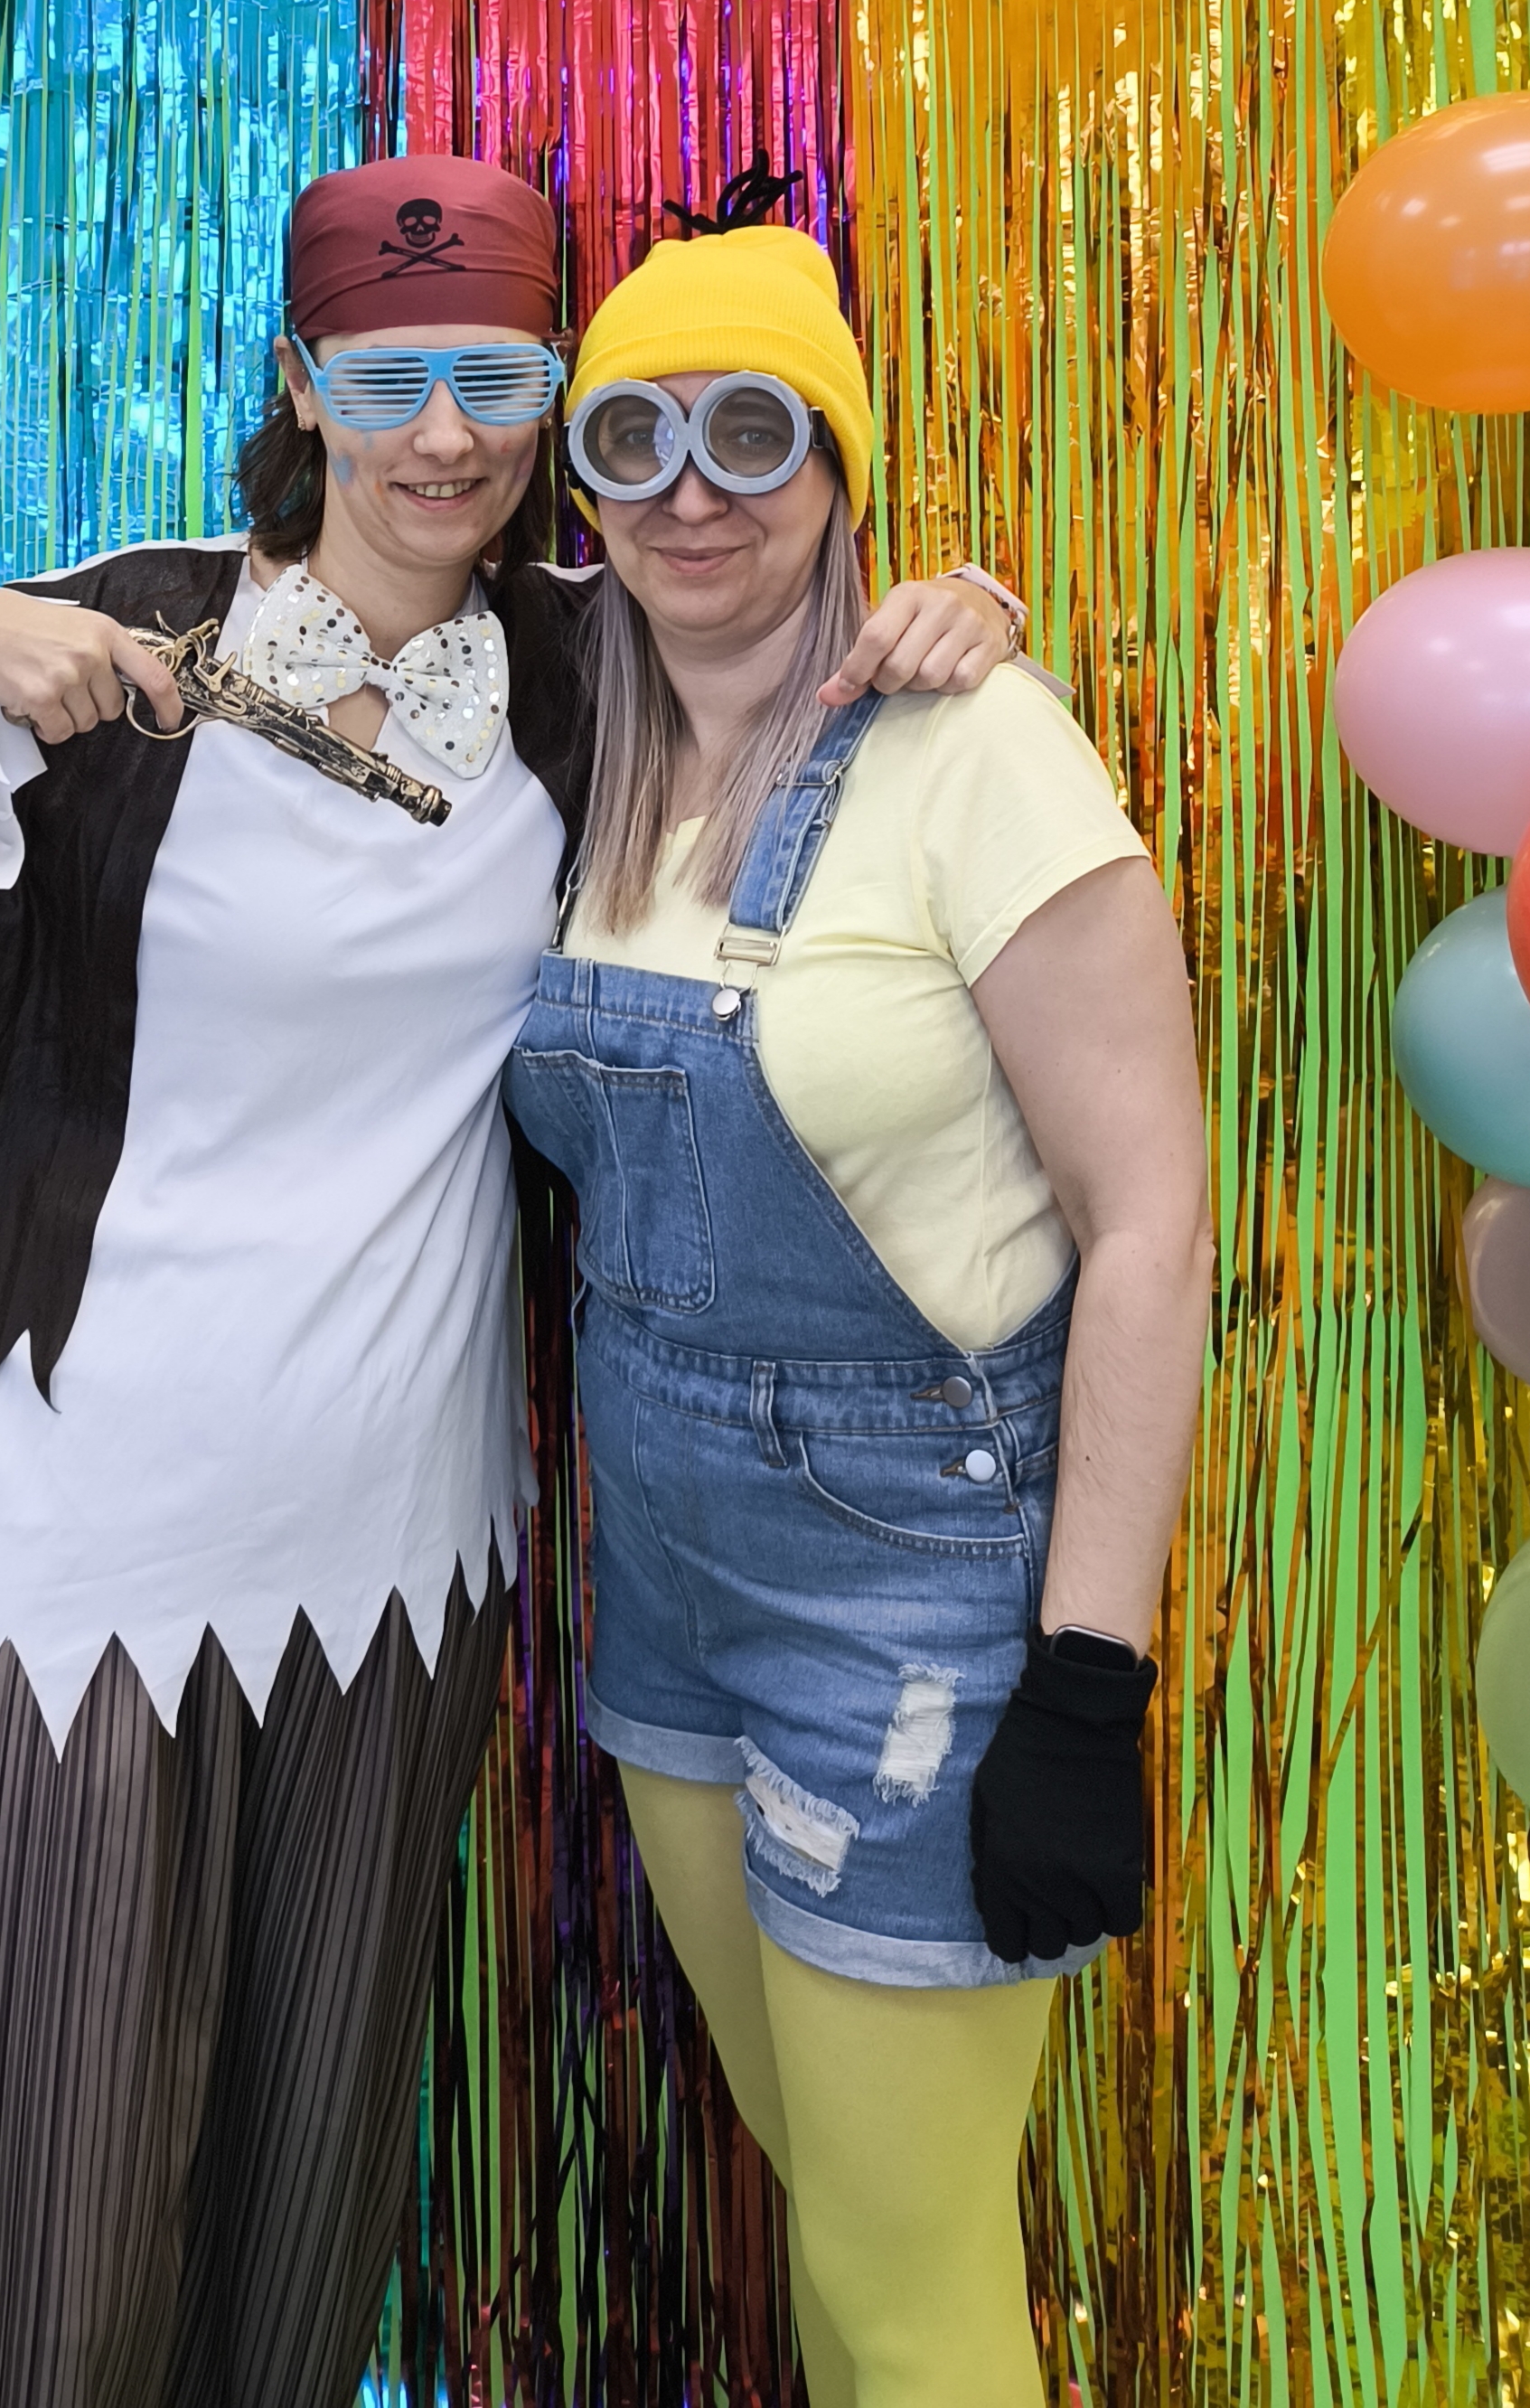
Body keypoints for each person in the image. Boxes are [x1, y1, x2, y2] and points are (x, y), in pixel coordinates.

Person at [0, 154, 1012, 2408]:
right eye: (386, 381)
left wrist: (951, 609)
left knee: (284, 2234)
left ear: (548, 390)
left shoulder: (582, 671)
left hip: (387, 1557)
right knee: (31, 2266)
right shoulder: (114, 639)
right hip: (57, 1554)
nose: (444, 436)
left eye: (495, 378)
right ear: (301, 384)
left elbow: (800, 659)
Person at [502, 223, 1215, 2408]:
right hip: (668, 1594)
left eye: (753, 432)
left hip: (915, 1606)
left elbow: (1149, 1216)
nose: (688, 490)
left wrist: (1084, 1681)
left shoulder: (973, 742)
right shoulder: (576, 737)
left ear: (836, 468)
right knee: (837, 2205)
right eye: (633, 436)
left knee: (909, 2303)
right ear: (580, 483)